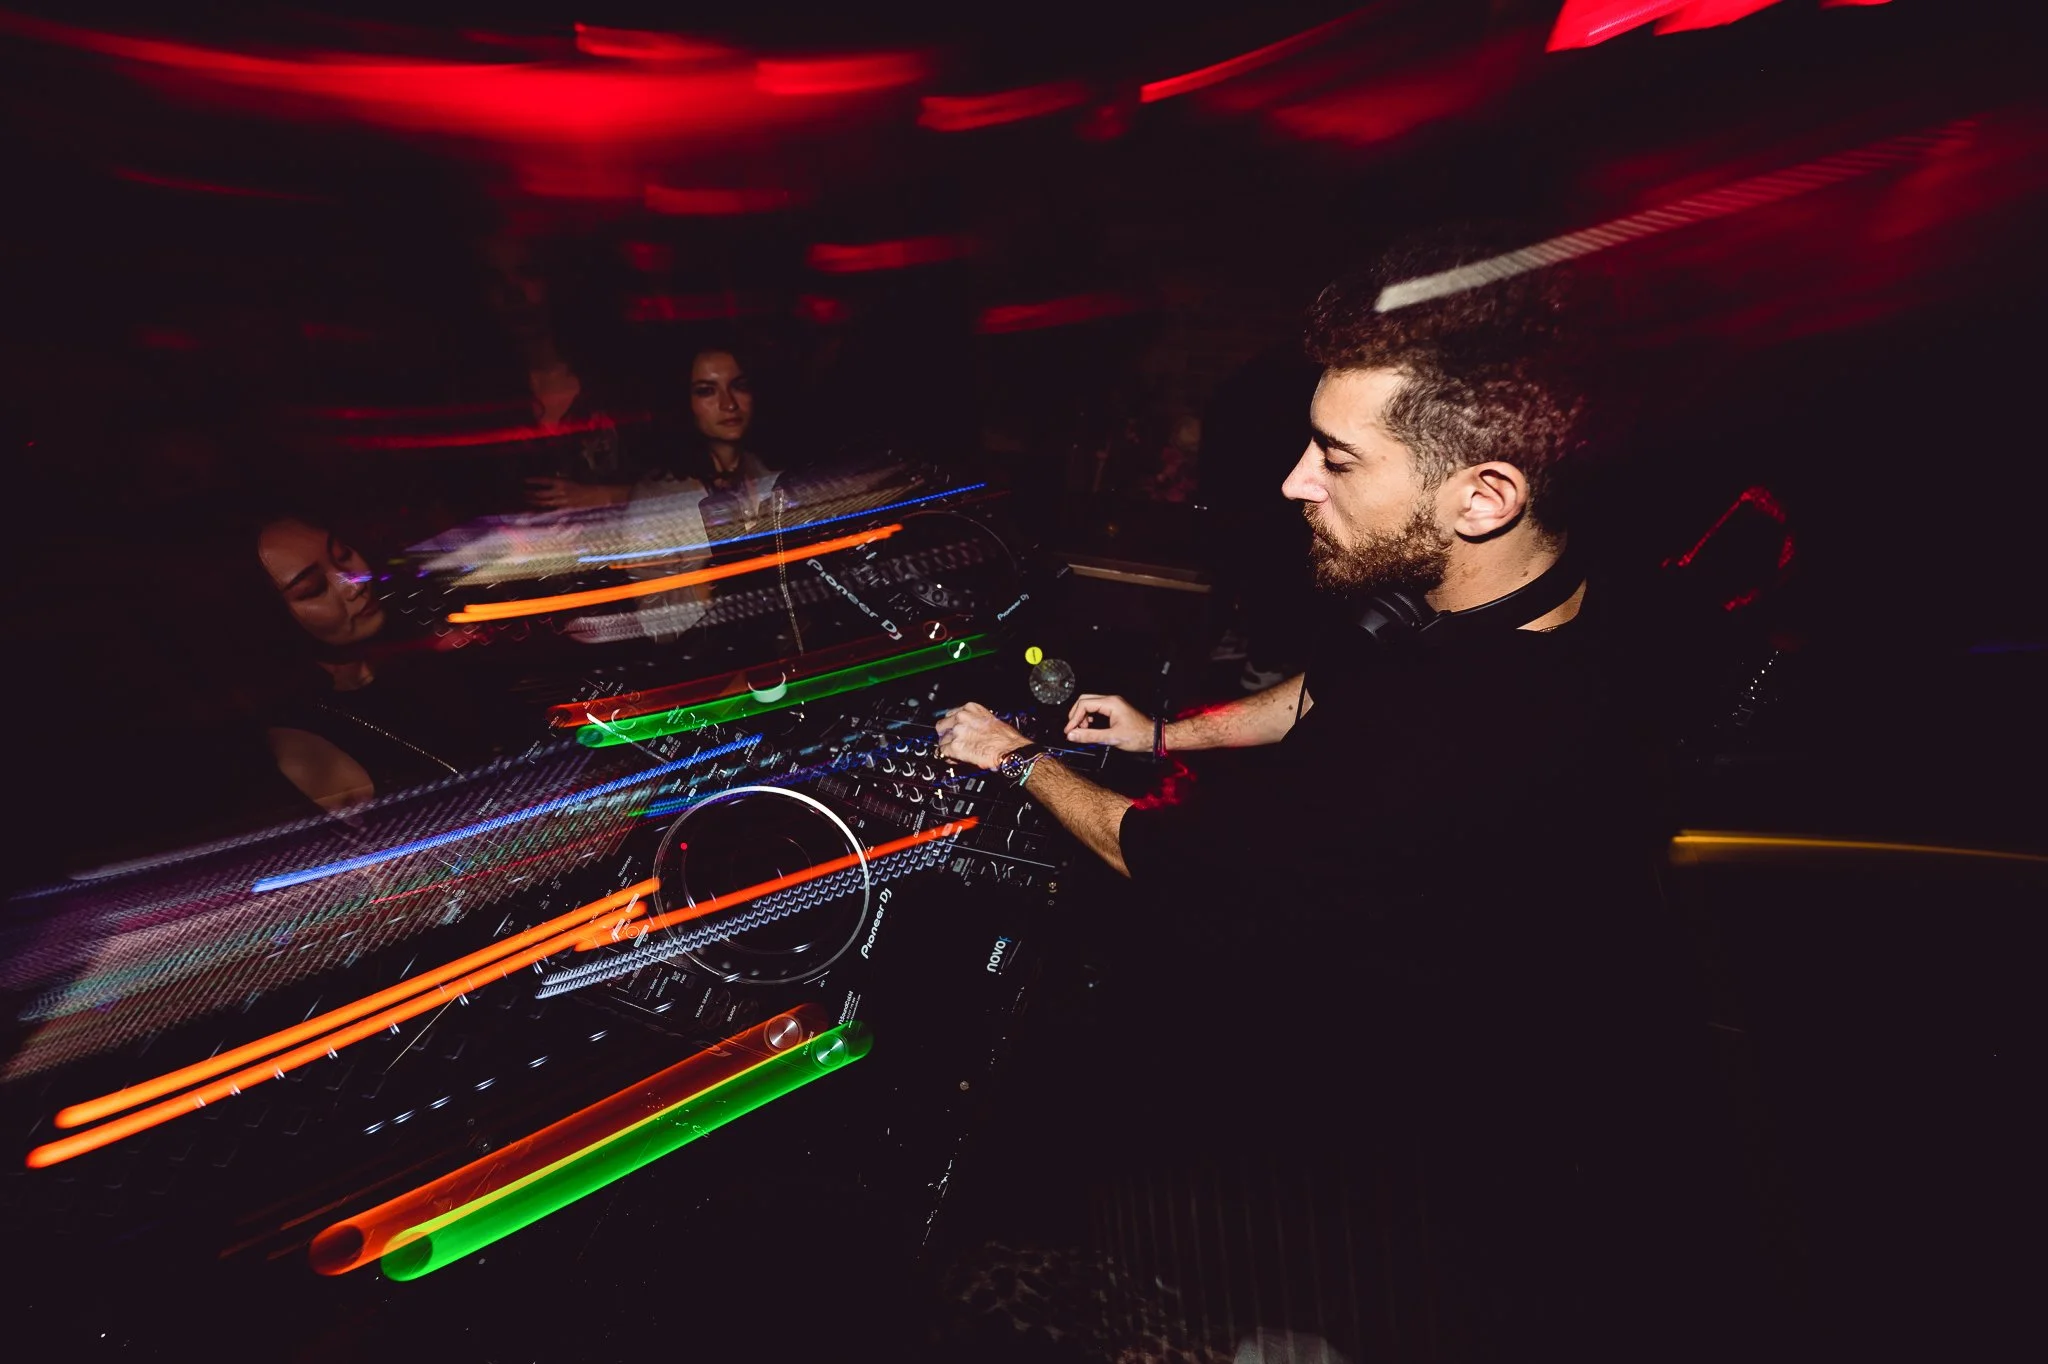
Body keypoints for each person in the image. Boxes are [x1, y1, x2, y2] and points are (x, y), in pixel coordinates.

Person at [936, 240, 1712, 1359]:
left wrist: (1015, 757)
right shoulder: (1526, 583)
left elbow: (1159, 852)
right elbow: (1337, 678)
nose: (1296, 480)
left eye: (1336, 459)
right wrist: (1167, 728)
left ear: (1481, 494)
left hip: (1408, 1181)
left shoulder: (1443, 753)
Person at [244, 513, 516, 811]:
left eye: (343, 555)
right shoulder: (303, 740)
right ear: (269, 620)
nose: (353, 583)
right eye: (312, 589)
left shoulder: (416, 654)